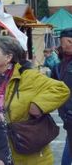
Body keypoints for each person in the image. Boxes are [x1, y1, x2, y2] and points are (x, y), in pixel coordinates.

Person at [0, 35, 69, 165]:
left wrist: (38, 105)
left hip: (27, 151)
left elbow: (61, 89)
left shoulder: (28, 76)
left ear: (8, 57)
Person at [52, 28, 72, 165]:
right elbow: (52, 89)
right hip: (67, 116)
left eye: (70, 41)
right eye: (67, 41)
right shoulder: (58, 67)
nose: (68, 44)